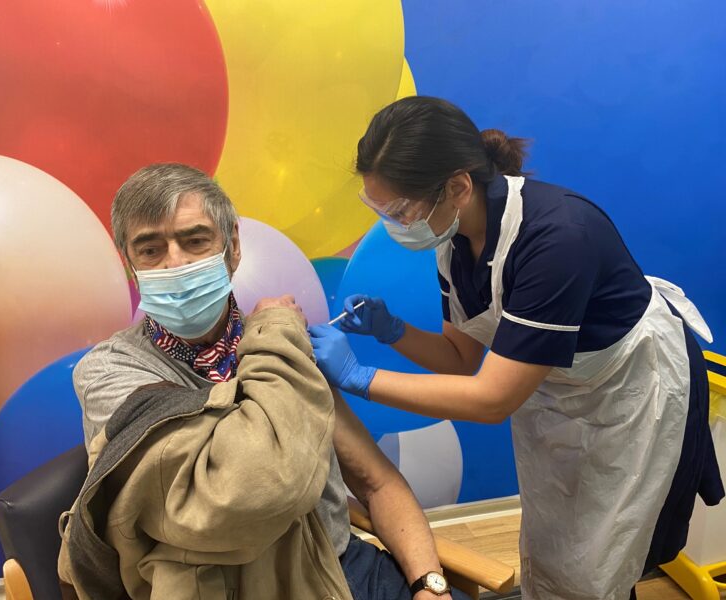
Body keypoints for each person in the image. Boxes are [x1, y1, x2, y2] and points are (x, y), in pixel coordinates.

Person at [308, 96, 724, 600]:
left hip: (629, 392)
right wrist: (391, 330)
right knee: (552, 546)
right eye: (379, 211)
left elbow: (491, 399)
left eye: (399, 210)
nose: (393, 226)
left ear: (458, 186)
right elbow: (461, 361)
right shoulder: (454, 237)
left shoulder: (558, 238)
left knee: (601, 561)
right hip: (555, 387)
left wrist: (357, 377)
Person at [57, 163, 470, 600]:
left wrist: (430, 584)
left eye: (195, 241)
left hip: (337, 567)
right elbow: (241, 494)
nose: (176, 264)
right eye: (150, 250)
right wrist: (276, 337)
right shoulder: (113, 372)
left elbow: (376, 482)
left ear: (232, 247)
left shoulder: (282, 345)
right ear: (130, 265)